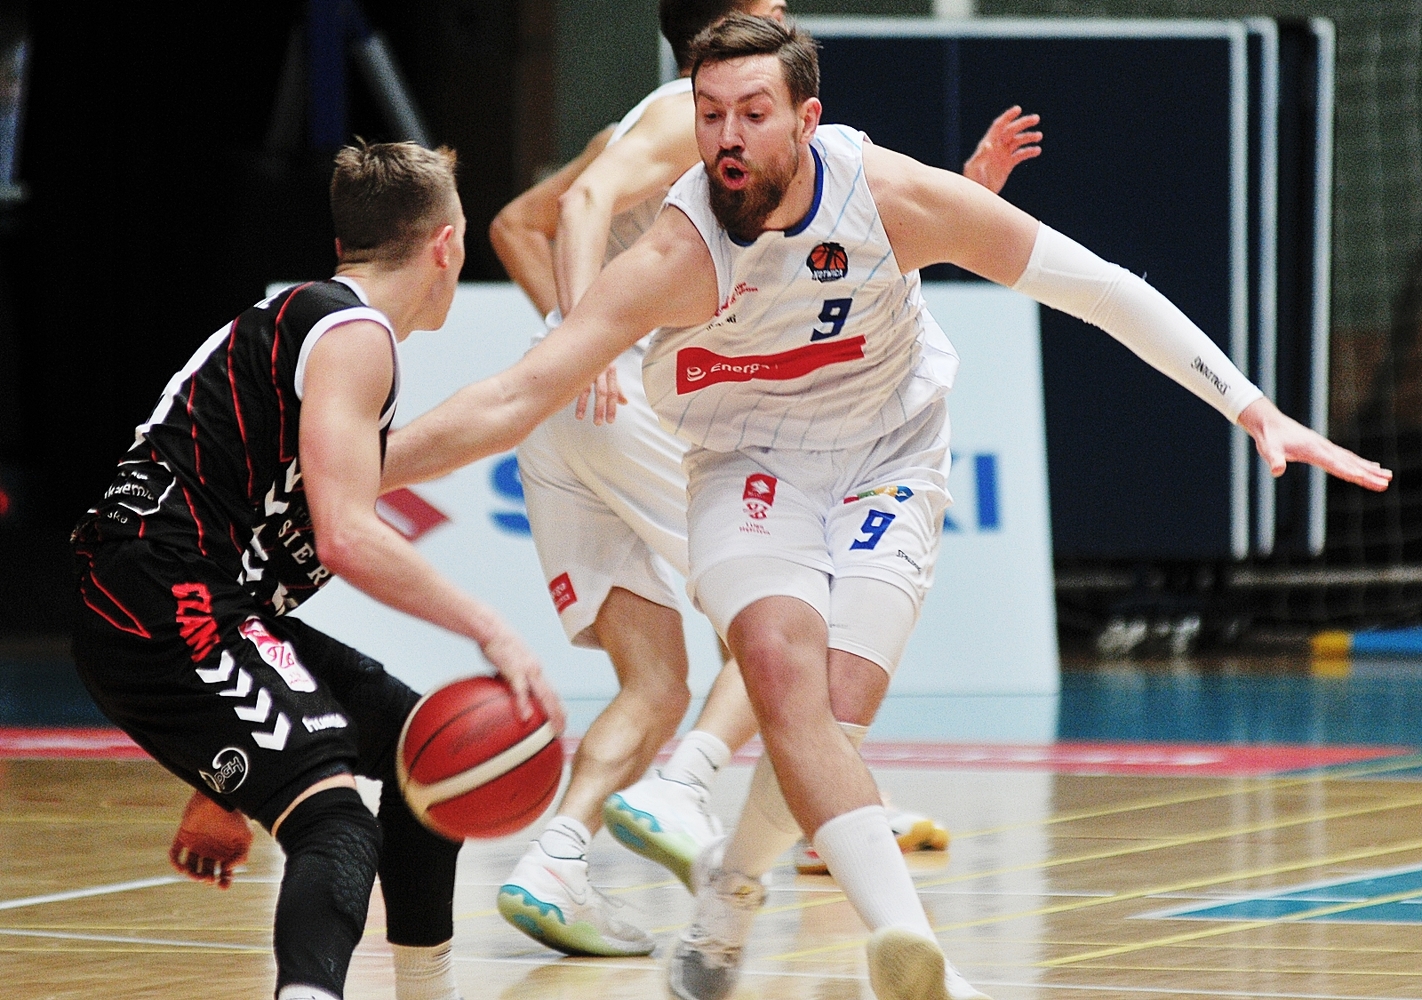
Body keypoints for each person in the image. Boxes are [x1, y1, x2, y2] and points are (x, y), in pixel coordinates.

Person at [382, 15, 1391, 1000]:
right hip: (746, 463)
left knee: (835, 718)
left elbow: (1098, 287)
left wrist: (1251, 407)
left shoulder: (890, 197)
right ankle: (919, 955)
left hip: (889, 456)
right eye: (710, 114)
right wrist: (357, 469)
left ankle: (730, 890)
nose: (728, 138)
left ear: (806, 120)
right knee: (778, 667)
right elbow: (516, 394)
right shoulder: (679, 251)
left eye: (753, 115)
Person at [484, 0, 1042, 956]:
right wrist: (588, 343)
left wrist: (569, 340)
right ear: (731, 24)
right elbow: (575, 211)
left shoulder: (644, 125)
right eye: (768, 2)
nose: (783, 7)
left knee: (656, 684)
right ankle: (703, 786)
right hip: (626, 396)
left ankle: (557, 858)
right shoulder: (689, 121)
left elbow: (513, 221)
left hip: (564, 419)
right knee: (783, 619)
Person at [70, 141, 563, 1000]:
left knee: (415, 753)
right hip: (163, 594)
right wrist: (494, 631)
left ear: (346, 243)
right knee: (335, 823)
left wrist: (224, 777)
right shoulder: (350, 334)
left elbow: (475, 424)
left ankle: (427, 990)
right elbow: (345, 536)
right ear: (447, 244)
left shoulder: (312, 333)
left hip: (178, 601)